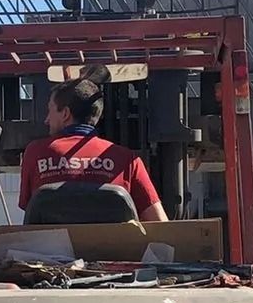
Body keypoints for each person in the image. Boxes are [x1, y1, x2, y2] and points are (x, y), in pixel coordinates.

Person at [18, 65, 169, 223]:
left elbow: (30, 211)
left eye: (50, 111)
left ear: (65, 114)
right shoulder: (127, 161)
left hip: (51, 248)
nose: (46, 120)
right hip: (113, 247)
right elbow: (160, 224)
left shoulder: (35, 153)